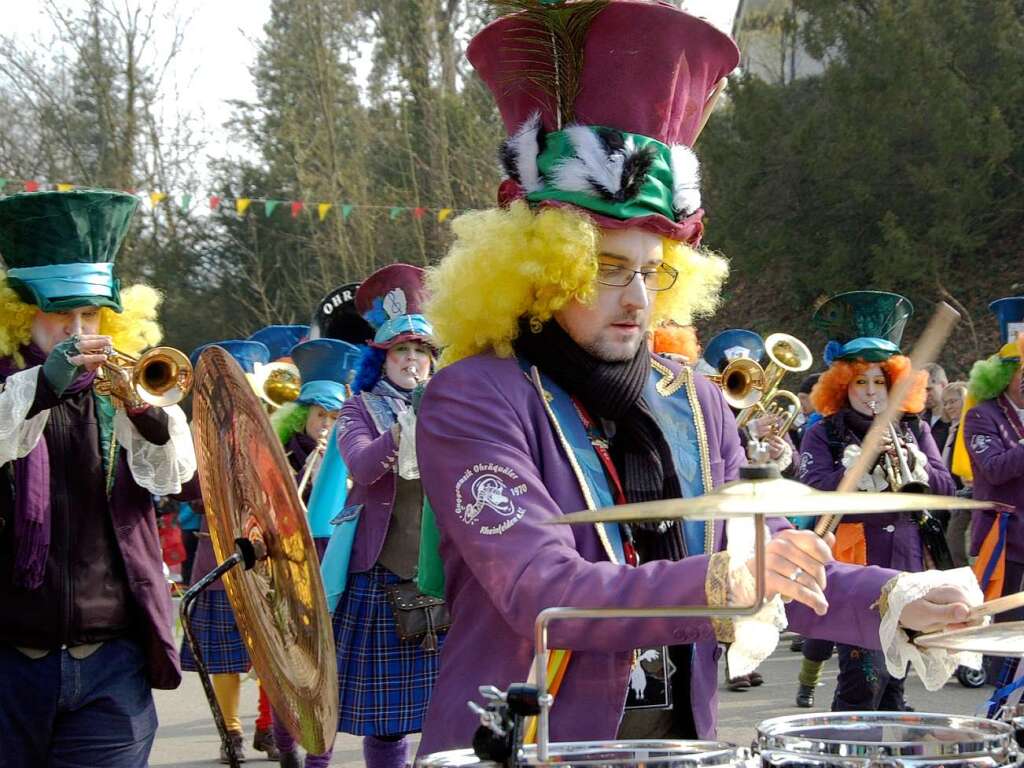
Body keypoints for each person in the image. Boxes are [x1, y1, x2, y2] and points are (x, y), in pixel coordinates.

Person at [413, 4, 977, 755]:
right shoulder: (473, 396)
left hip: (683, 746)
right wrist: (726, 581)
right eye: (607, 271)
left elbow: (770, 554)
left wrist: (897, 601)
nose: (639, 300)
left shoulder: (695, 397)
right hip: (529, 743)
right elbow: (544, 590)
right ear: (541, 272)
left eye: (654, 273)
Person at [0, 189, 197, 767]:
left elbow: (176, 475)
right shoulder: (12, 391)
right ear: (21, 315)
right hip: (9, 662)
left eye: (90, 315)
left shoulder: (123, 386)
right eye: (61, 315)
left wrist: (143, 413)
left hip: (110, 662)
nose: (78, 330)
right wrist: (41, 389)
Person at [796, 290, 956, 712]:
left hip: (908, 557)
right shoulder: (824, 432)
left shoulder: (914, 429)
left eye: (879, 381)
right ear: (842, 385)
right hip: (855, 560)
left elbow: (945, 486)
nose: (871, 392)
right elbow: (816, 490)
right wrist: (862, 469)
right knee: (861, 678)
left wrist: (915, 465)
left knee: (895, 673)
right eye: (860, 381)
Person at [331, 264, 443, 768]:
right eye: (402, 350)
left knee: (455, 707)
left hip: (447, 572)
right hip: (381, 573)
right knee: (388, 718)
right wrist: (402, 428)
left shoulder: (453, 406)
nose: (413, 359)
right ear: (383, 358)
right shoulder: (358, 408)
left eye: (422, 350)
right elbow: (361, 466)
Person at [180, 339, 281, 763]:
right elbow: (183, 486)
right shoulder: (198, 431)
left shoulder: (278, 426)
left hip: (270, 558)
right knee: (225, 656)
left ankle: (268, 728)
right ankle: (231, 732)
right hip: (219, 557)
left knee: (274, 653)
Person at [268, 336, 361, 768]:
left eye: (333, 417)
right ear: (302, 417)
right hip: (288, 564)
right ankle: (285, 742)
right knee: (292, 667)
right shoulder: (280, 455)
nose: (325, 425)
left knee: (326, 669)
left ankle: (318, 758)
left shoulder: (346, 455)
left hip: (333, 563)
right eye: (319, 416)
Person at [940, 381, 970, 567]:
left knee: (957, 547)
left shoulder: (969, 427)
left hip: (965, 496)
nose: (948, 406)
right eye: (945, 403)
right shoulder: (951, 429)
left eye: (953, 401)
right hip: (951, 498)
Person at [923, 363, 950, 454]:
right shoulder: (919, 422)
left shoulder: (958, 422)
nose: (924, 395)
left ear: (943, 385)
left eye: (928, 389)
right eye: (920, 390)